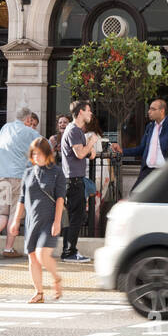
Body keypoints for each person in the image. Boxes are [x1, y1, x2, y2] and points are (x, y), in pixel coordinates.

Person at [10, 137, 66, 304]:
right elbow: (21, 200)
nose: (36, 157)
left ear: (47, 154)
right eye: (34, 153)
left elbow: (60, 200)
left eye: (40, 153)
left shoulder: (57, 172)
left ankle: (56, 278)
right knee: (33, 257)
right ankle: (39, 292)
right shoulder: (28, 173)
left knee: (42, 255)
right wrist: (15, 221)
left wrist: (57, 222)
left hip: (49, 220)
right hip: (32, 221)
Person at [0, 106, 39, 259]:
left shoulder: (5, 128)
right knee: (14, 214)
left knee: (3, 211)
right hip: (19, 177)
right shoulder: (31, 132)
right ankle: (8, 248)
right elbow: (46, 147)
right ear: (28, 119)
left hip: (2, 176)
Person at [114, 98, 168, 187]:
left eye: (153, 109)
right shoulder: (149, 127)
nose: (149, 111)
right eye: (149, 109)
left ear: (162, 111)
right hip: (148, 171)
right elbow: (142, 149)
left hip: (166, 172)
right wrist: (122, 151)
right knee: (135, 195)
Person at [60, 101, 100, 263]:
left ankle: (68, 251)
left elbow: (91, 155)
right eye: (88, 110)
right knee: (76, 217)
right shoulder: (74, 130)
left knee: (75, 217)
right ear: (80, 112)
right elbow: (80, 154)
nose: (91, 113)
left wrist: (89, 146)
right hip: (73, 181)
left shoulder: (77, 132)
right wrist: (90, 142)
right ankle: (70, 252)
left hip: (75, 180)